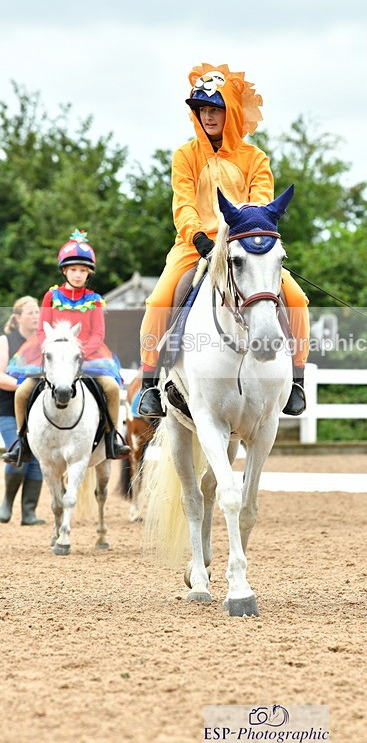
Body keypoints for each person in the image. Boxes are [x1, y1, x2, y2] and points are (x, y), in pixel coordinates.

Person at [138, 63, 310, 418]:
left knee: (297, 299)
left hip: (245, 244)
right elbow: (183, 203)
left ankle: (296, 380)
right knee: (157, 301)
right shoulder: (185, 156)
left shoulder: (255, 158)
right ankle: (150, 385)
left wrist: (238, 237)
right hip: (193, 245)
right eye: (202, 109)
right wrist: (199, 237)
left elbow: (261, 203)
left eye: (215, 109)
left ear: (230, 112)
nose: (208, 116)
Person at [2, 230, 130, 466]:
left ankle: (112, 437)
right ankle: (22, 442)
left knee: (111, 388)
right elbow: (42, 330)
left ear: (88, 272)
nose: (78, 274)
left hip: (88, 355)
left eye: (83, 270)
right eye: (73, 270)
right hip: (52, 354)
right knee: (22, 392)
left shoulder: (94, 299)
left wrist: (79, 353)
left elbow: (98, 333)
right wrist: (51, 349)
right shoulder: (51, 295)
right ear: (64, 271)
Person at [0, 297, 46, 524]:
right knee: (18, 455)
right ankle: (6, 503)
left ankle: (29, 512)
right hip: (8, 410)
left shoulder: (44, 342)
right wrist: (25, 386)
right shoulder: (6, 341)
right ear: (17, 317)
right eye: (30, 312)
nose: (36, 316)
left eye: (37, 312)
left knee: (37, 460)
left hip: (39, 413)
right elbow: (0, 376)